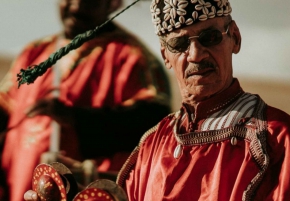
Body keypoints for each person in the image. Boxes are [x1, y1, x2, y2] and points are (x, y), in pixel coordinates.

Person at [24, 0, 290, 200]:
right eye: (179, 44)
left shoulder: (274, 138)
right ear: (166, 56)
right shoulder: (153, 143)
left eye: (210, 37)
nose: (195, 55)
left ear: (235, 38)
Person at [0, 0, 171, 200]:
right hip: (18, 188)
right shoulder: (33, 54)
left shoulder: (131, 57)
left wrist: (75, 119)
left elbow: (153, 126)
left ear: (113, 4)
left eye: (88, 1)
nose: (76, 7)